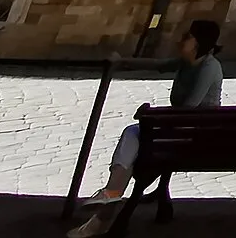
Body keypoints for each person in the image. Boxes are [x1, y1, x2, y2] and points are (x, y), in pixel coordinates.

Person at [71, 20, 224, 237]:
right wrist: (121, 61)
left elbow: (190, 108)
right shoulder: (185, 62)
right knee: (133, 134)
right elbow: (157, 65)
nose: (181, 40)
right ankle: (109, 199)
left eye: (187, 37)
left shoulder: (209, 67)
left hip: (197, 135)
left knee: (136, 136)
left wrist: (150, 116)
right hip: (180, 130)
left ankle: (109, 201)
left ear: (200, 42)